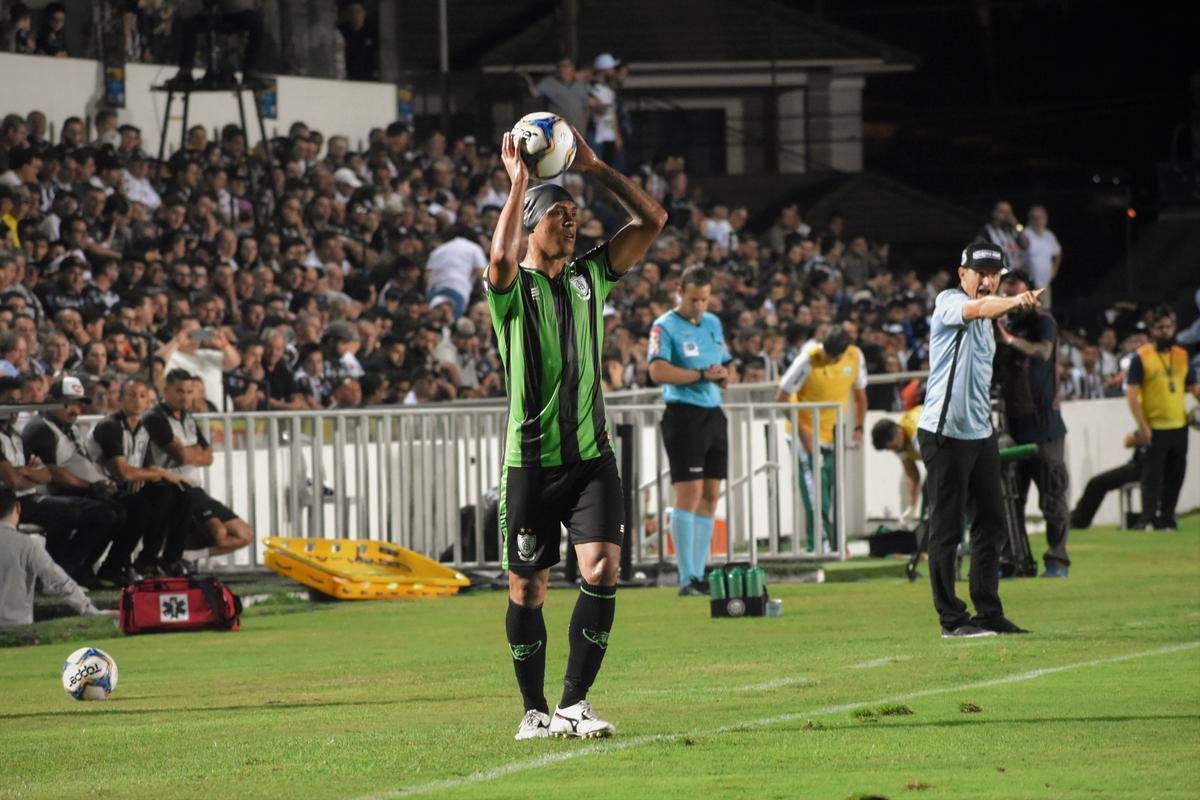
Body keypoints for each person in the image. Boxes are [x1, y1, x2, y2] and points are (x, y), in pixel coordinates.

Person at [487, 124, 665, 740]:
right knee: (527, 587)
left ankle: (573, 703)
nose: (572, 222)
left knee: (604, 570)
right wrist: (517, 185)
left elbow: (653, 219)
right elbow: (502, 258)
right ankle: (533, 711)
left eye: (574, 213)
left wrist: (594, 168)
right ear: (532, 221)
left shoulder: (592, 274)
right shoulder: (511, 290)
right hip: (532, 463)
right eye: (559, 214)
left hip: (592, 457)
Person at [916, 241, 1041, 638]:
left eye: (995, 274)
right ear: (962, 275)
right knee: (947, 529)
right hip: (944, 432)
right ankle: (951, 619)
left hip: (979, 432)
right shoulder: (949, 302)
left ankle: (988, 612)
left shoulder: (991, 326)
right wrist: (1015, 301)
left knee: (992, 524)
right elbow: (980, 308)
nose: (987, 281)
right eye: (980, 273)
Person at [646, 265, 736, 596]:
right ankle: (686, 578)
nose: (700, 305)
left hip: (714, 413)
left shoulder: (712, 323)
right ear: (680, 291)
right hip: (684, 415)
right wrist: (700, 376)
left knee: (711, 495)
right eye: (694, 299)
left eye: (705, 299)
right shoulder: (664, 326)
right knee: (690, 494)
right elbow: (657, 370)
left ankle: (700, 574)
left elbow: (727, 363)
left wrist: (725, 376)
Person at [21, 376, 136, 587]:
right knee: (107, 513)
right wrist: (92, 487)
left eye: (78, 403)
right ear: (50, 400)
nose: (74, 409)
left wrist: (104, 482)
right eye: (68, 403)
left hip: (82, 489)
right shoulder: (40, 428)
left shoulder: (68, 425)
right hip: (56, 494)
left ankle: (96, 567)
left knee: (134, 506)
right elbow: (54, 473)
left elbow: (83, 462)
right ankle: (66, 568)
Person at [994, 269, 1071, 577]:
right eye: (1007, 292)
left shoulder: (1043, 321)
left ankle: (1057, 560)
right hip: (1013, 425)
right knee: (1011, 499)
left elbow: (1044, 352)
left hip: (1045, 425)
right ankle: (1015, 560)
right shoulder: (1003, 325)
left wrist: (1009, 340)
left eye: (1016, 291)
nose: (1012, 297)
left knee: (1052, 494)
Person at [88, 376, 194, 577]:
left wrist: (142, 474)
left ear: (148, 402)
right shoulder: (110, 426)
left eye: (143, 396)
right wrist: (158, 472)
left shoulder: (145, 427)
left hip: (130, 482)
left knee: (181, 492)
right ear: (120, 400)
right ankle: (113, 566)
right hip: (102, 486)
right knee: (142, 505)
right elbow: (122, 472)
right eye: (131, 395)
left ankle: (163, 560)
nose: (137, 400)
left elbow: (145, 466)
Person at [775, 323, 868, 553]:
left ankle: (836, 544)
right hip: (803, 434)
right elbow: (782, 397)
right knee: (815, 495)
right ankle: (821, 547)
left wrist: (858, 426)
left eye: (832, 357)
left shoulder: (855, 357)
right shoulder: (806, 360)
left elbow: (860, 394)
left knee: (832, 492)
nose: (827, 360)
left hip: (833, 435)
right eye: (826, 354)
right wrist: (803, 433)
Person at [141, 369, 254, 558]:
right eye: (179, 391)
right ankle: (177, 556)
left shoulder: (189, 419)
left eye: (188, 392)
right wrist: (192, 452)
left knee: (245, 534)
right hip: (175, 488)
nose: (184, 397)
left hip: (196, 489)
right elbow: (181, 456)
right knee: (219, 533)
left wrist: (188, 452)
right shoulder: (155, 418)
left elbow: (208, 457)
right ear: (166, 391)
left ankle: (190, 557)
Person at [1124, 305, 1200, 530]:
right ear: (1151, 331)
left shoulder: (1182, 356)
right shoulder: (1141, 357)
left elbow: (1194, 388)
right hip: (1154, 427)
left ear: (1174, 328)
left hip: (1179, 426)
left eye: (1168, 327)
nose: (1165, 331)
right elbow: (1132, 395)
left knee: (1175, 476)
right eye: (1160, 328)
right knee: (1152, 477)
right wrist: (1142, 425)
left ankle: (1167, 518)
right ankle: (1148, 518)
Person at [0, 485, 117, 627]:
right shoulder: (27, 545)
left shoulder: (27, 545)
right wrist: (90, 610)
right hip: (17, 627)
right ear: (18, 508)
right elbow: (58, 580)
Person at [1070, 432, 1145, 530]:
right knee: (1095, 482)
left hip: (1146, 468)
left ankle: (1079, 521)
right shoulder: (1146, 423)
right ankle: (1077, 517)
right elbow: (1127, 442)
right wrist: (1139, 435)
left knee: (1096, 483)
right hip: (1136, 465)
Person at [870, 403, 925, 525]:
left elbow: (939, 467)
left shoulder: (918, 435)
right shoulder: (898, 443)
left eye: (894, 447)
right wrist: (912, 507)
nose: (894, 450)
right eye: (890, 449)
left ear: (899, 431)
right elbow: (912, 474)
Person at [522, 58, 590, 134]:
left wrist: (584, 128)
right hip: (558, 133)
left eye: (566, 66)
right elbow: (535, 93)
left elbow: (586, 107)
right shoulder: (549, 83)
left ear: (572, 68)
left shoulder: (580, 85)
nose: (563, 69)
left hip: (578, 132)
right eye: (560, 66)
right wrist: (528, 80)